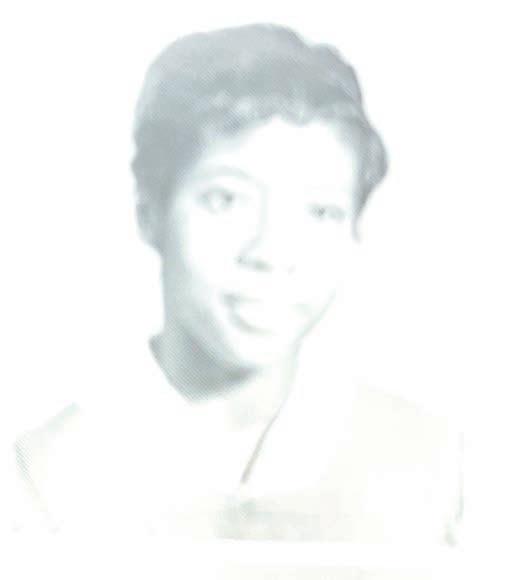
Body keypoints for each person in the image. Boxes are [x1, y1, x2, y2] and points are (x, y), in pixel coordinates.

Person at [14, 23, 462, 542]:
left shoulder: (430, 473)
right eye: (225, 200)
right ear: (150, 212)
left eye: (321, 211)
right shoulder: (38, 482)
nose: (272, 253)